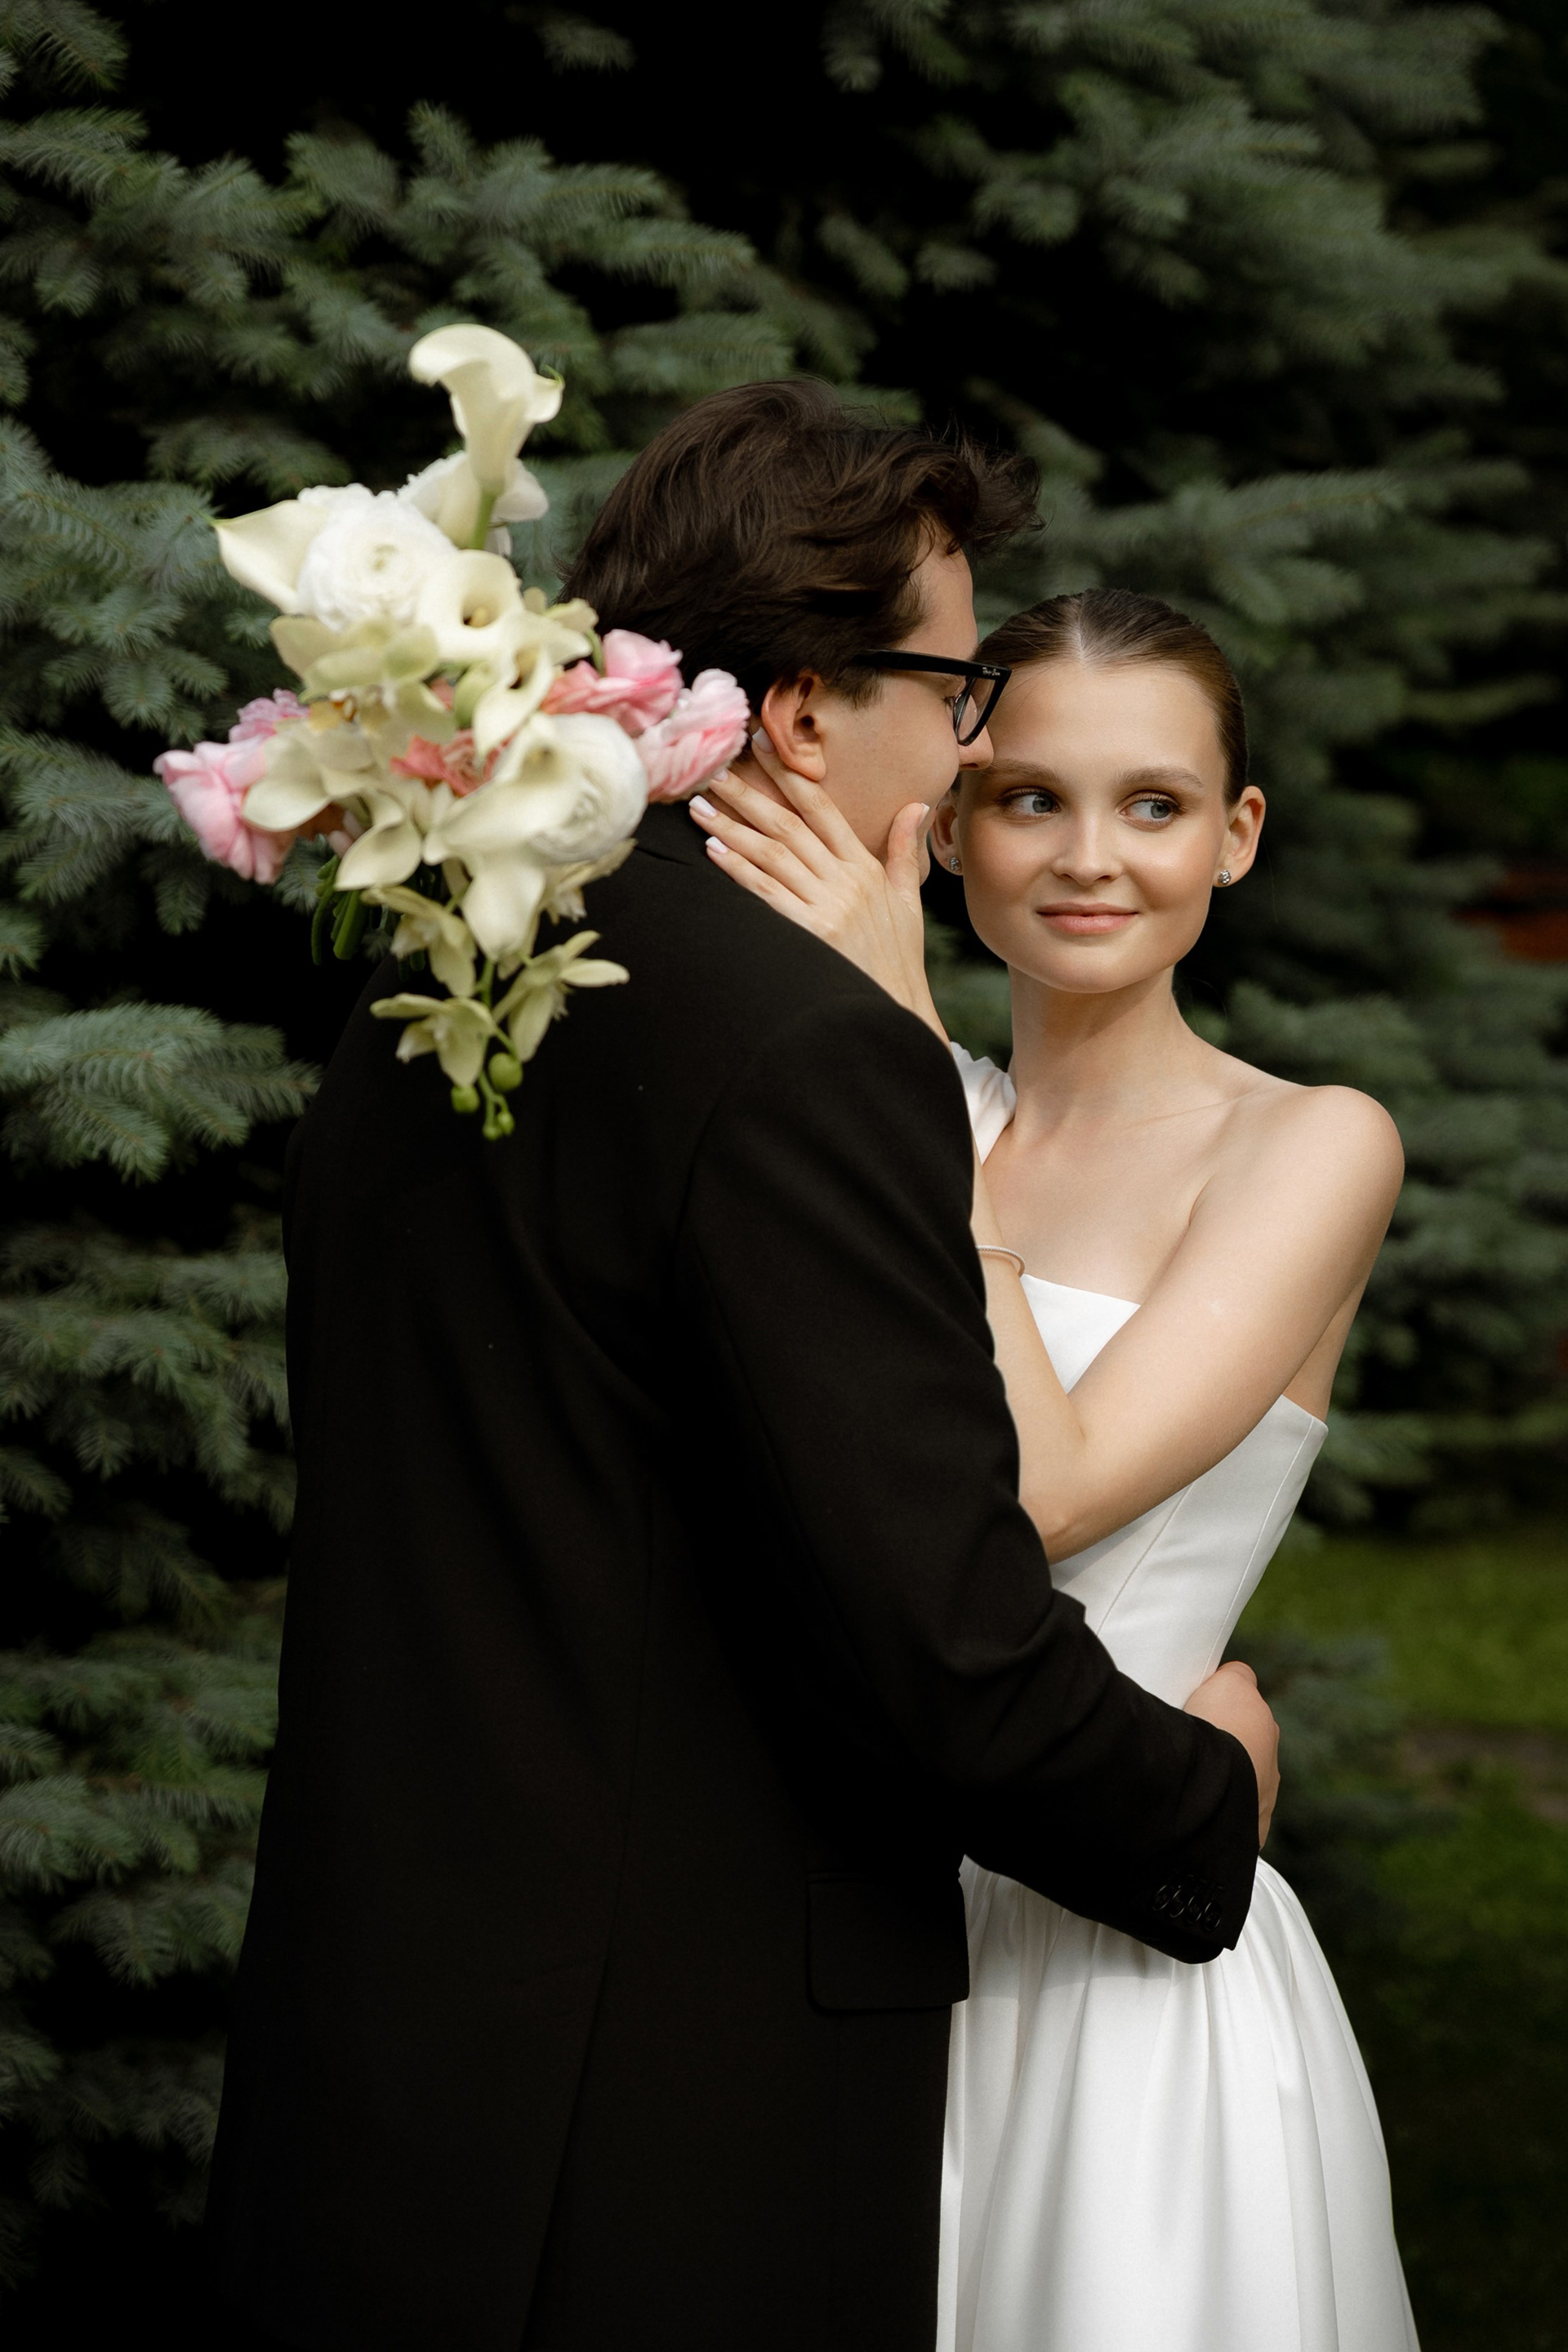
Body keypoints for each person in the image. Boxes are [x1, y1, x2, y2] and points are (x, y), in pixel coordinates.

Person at [206, 392, 1278, 2352]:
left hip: (390, 2033)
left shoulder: (451, 967)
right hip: (665, 2097)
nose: (973, 749)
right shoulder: (808, 1050)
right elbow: (934, 1632)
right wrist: (1208, 1802)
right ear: (799, 711)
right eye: (956, 693)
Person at [692, 583, 1416, 2350]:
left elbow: (1040, 1492)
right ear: (948, 828)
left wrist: (910, 1082)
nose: (1091, 857)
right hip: (838, 1941)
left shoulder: (1309, 1145)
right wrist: (902, 1072)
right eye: (1030, 797)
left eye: (1154, 803)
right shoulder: (876, 1103)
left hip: (1121, 1951)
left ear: (1237, 835)